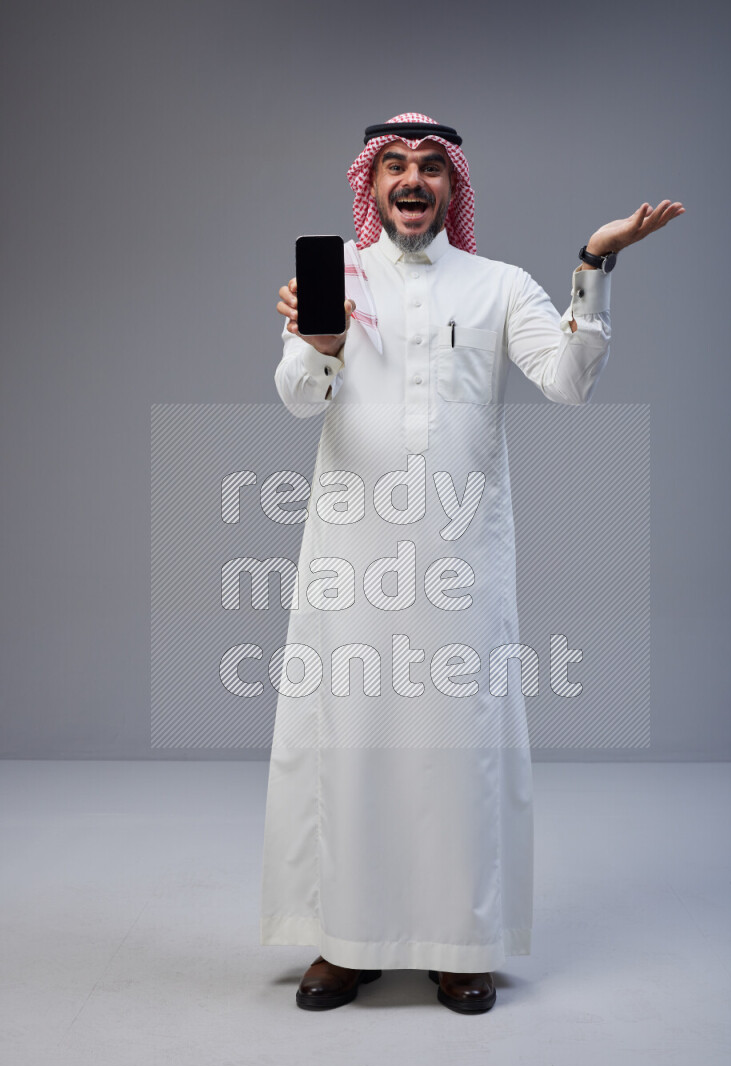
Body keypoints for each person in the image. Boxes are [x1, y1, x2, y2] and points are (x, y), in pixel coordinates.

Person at [263, 112, 684, 1014]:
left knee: (459, 751)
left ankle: (460, 943)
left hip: (462, 560)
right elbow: (296, 398)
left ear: (453, 187)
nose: (412, 181)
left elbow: (568, 380)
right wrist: (321, 348)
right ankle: (345, 941)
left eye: (430, 167)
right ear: (372, 186)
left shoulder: (499, 286)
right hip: (354, 559)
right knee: (354, 742)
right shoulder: (336, 279)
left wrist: (596, 265)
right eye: (394, 167)